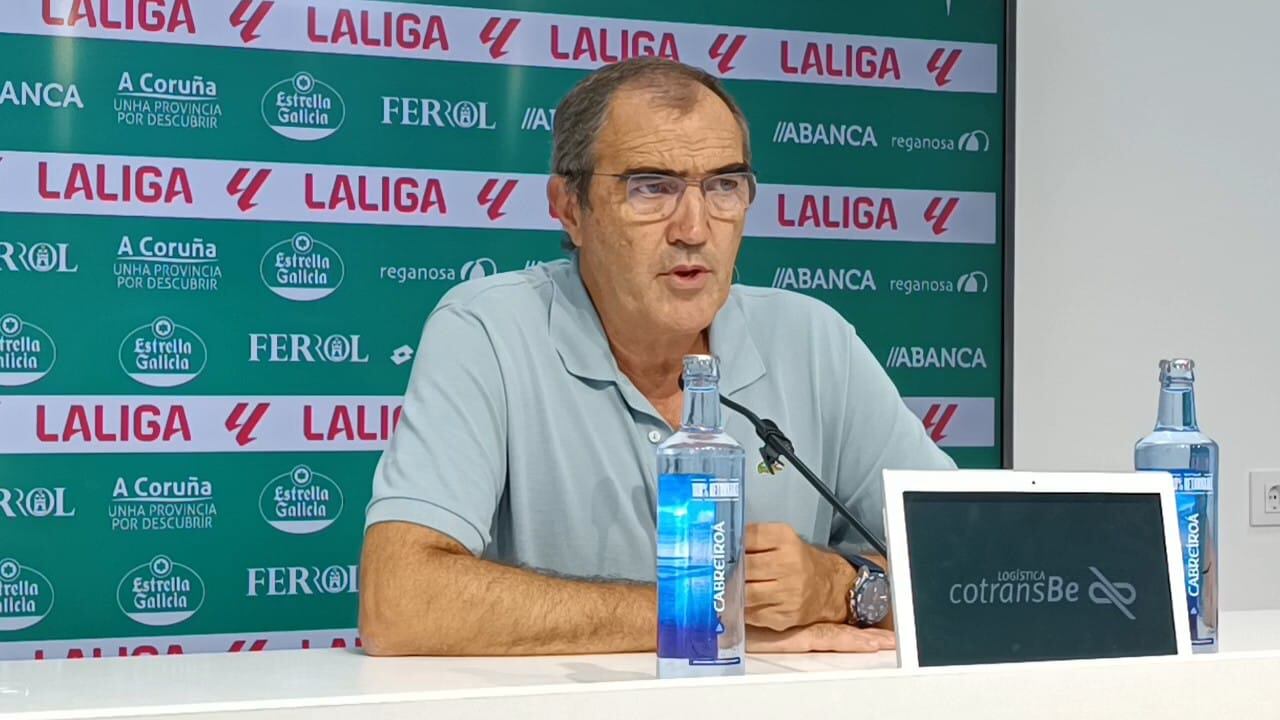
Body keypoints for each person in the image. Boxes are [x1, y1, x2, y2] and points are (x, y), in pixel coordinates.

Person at [359, 57, 955, 657]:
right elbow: (400, 604)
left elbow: (965, 565)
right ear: (570, 207)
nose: (694, 228)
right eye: (651, 187)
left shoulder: (811, 338)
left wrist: (841, 587)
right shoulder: (487, 330)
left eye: (723, 185)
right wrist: (707, 612)